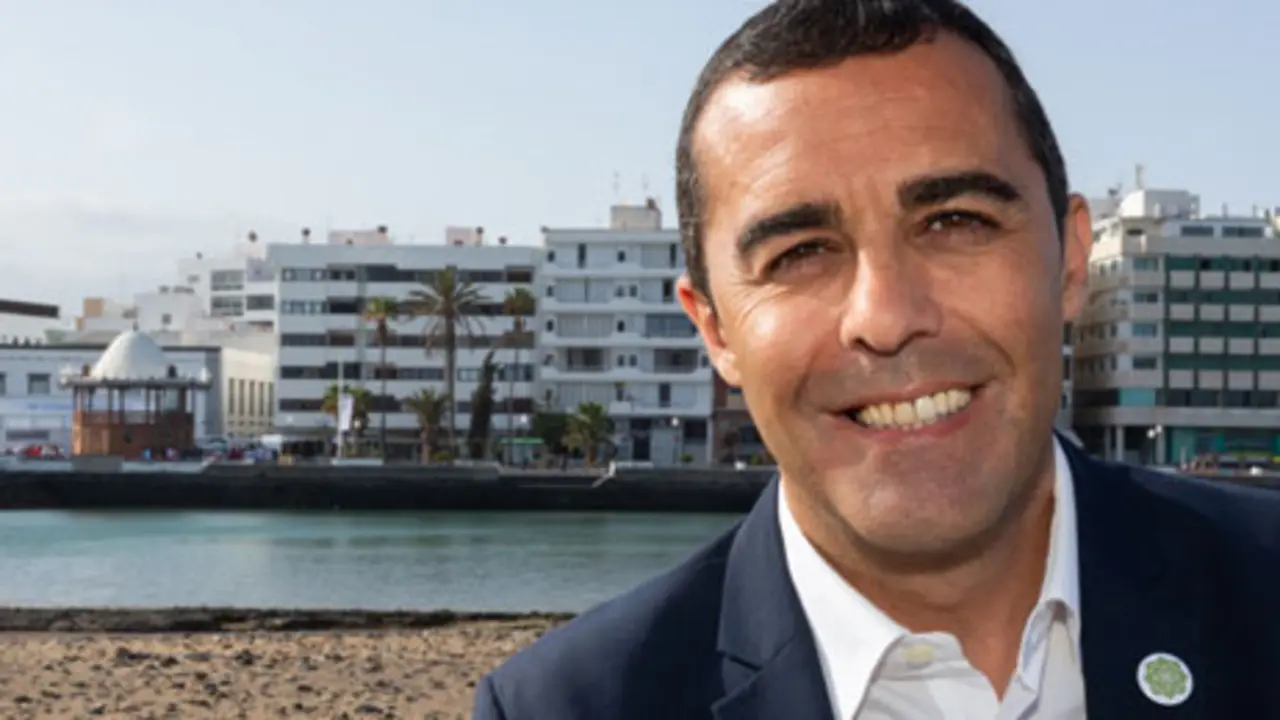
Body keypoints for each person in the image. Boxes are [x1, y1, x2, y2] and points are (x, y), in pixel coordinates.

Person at [475, 1, 1280, 717]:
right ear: (715, 330)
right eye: (800, 253)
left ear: (1070, 261)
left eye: (955, 222)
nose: (886, 317)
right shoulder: (571, 707)